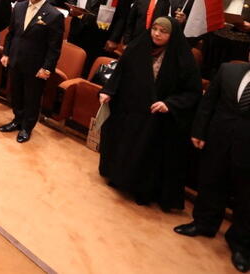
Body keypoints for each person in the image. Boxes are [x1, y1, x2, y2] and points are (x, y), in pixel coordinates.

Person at [98, 17, 201, 210]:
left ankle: (141, 190)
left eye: (163, 31)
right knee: (126, 146)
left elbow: (192, 92)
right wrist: (108, 91)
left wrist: (169, 104)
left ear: (172, 35)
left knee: (146, 154)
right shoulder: (138, 47)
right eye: (154, 29)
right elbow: (120, 72)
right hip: (131, 110)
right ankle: (120, 179)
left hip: (157, 117)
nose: (157, 34)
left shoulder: (183, 58)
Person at [174, 60, 250, 273]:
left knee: (247, 199)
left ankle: (241, 245)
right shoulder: (228, 70)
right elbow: (208, 103)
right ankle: (203, 224)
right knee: (211, 182)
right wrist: (199, 130)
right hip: (218, 140)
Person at [0, 0, 65, 143]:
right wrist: (6, 54)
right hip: (15, 59)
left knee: (32, 98)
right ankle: (16, 120)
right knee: (16, 93)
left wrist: (47, 68)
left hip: (35, 65)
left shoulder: (54, 15)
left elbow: (54, 48)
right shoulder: (19, 7)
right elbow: (11, 34)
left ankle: (27, 127)